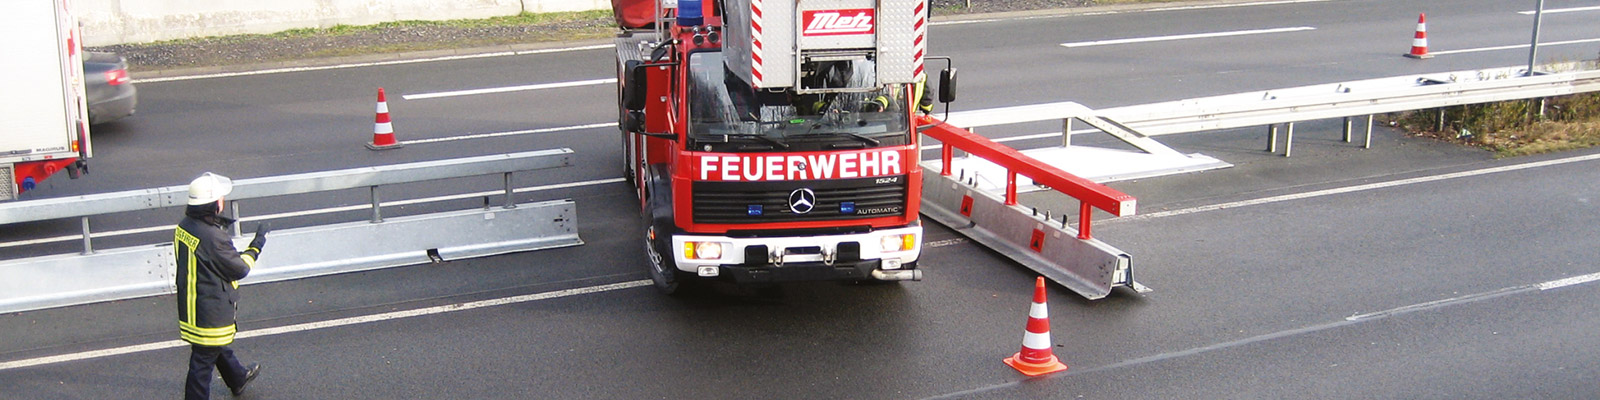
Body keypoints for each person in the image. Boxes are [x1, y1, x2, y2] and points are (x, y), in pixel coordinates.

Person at [176, 172, 268, 399]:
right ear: (213, 203)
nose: (223, 202)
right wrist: (255, 246)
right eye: (220, 198)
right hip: (211, 310)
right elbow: (240, 268)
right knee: (202, 360)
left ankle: (237, 378)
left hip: (192, 305)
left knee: (213, 348)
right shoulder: (213, 237)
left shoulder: (185, 226)